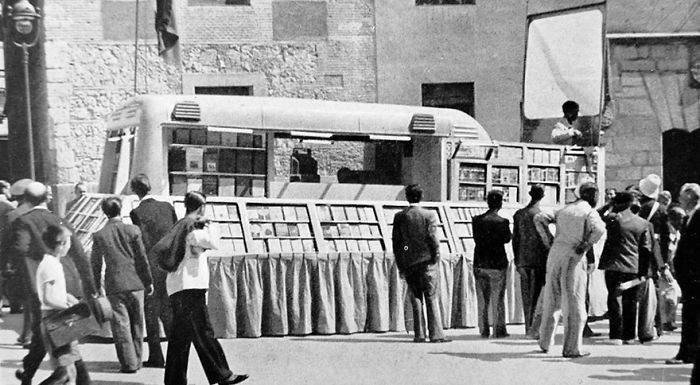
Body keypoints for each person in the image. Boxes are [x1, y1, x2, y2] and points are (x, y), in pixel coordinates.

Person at [152, 191, 248, 385]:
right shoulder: (193, 229)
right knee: (204, 331)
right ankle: (222, 374)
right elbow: (214, 242)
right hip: (191, 287)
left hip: (178, 287)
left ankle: (175, 380)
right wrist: (212, 224)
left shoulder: (180, 226)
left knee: (181, 336)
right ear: (201, 207)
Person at [6, 182, 96, 385]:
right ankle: (79, 380)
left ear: (26, 199)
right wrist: (90, 285)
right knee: (60, 334)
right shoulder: (60, 220)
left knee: (53, 332)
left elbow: (19, 250)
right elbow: (80, 254)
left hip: (43, 286)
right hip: (67, 283)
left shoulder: (23, 222)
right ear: (47, 199)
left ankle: (51, 375)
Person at [535, 181, 606, 358]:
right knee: (574, 301)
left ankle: (545, 342)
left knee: (552, 299)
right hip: (574, 256)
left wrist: (548, 239)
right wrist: (586, 244)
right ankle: (571, 348)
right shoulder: (589, 212)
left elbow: (539, 218)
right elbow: (599, 229)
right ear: (594, 196)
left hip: (555, 253)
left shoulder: (564, 209)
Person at [91, 196, 154, 373]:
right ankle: (138, 359)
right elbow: (142, 258)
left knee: (121, 325)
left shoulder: (100, 235)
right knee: (137, 323)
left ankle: (129, 363)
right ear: (121, 210)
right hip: (136, 282)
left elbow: (95, 264)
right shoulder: (133, 230)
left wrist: (97, 286)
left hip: (115, 284)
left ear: (105, 212)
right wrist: (148, 281)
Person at [128, 174, 178, 368]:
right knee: (168, 309)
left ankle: (156, 355)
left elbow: (139, 245)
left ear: (134, 190)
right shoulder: (168, 207)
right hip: (169, 265)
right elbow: (175, 234)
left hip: (150, 266)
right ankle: (176, 352)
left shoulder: (136, 213)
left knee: (151, 311)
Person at [391, 184, 449, 343]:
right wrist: (435, 255)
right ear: (421, 196)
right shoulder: (429, 215)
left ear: (407, 196)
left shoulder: (400, 216)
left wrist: (405, 255)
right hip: (427, 261)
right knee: (431, 296)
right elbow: (432, 238)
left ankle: (419, 334)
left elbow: (399, 243)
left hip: (410, 262)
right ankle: (436, 334)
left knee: (415, 297)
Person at [597, 191, 653, 345]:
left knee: (614, 299)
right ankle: (629, 335)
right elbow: (646, 249)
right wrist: (643, 271)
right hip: (634, 265)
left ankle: (616, 335)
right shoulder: (643, 223)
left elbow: (597, 215)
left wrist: (609, 204)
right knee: (631, 301)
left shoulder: (614, 219)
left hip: (614, 265)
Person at [35, 225, 86, 385]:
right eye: (69, 242)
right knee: (67, 374)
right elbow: (49, 298)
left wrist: (67, 296)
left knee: (67, 371)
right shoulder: (50, 265)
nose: (70, 245)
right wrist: (70, 308)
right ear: (61, 244)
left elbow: (53, 292)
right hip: (56, 319)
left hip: (56, 319)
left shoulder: (52, 262)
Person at [667, 183, 700, 365]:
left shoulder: (698, 216)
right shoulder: (690, 216)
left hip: (694, 276)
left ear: (689, 198)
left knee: (692, 316)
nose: (679, 199)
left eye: (681, 196)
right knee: (690, 315)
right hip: (689, 276)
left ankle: (689, 353)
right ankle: (686, 351)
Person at [473, 190, 512, 338]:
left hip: (480, 262)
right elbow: (507, 239)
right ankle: (498, 330)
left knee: (482, 299)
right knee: (498, 299)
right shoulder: (503, 222)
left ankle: (483, 330)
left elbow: (477, 239)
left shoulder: (476, 220)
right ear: (500, 204)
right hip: (497, 263)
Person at [513, 185, 550, 339]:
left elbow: (515, 239)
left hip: (523, 260)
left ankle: (528, 327)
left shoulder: (519, 214)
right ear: (543, 196)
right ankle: (533, 329)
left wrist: (517, 261)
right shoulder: (541, 215)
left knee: (527, 296)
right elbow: (545, 239)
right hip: (539, 260)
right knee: (538, 297)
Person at [637, 174, 668, 340]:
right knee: (654, 288)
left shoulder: (640, 208)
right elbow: (665, 235)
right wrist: (663, 260)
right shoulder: (661, 210)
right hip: (654, 252)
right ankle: (657, 326)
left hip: (640, 249)